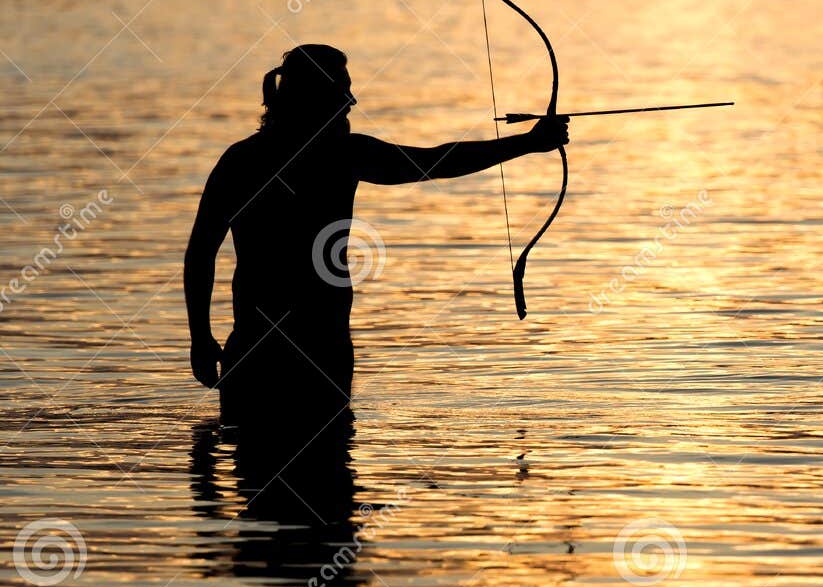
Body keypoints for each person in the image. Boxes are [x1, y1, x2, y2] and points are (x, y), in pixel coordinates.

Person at [183, 43, 567, 431]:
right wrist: (526, 143)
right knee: (322, 476)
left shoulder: (253, 158)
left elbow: (435, 160)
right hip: (289, 351)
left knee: (266, 471)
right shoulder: (333, 156)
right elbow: (436, 161)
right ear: (314, 98)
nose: (351, 101)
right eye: (341, 91)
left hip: (286, 352)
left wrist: (200, 337)